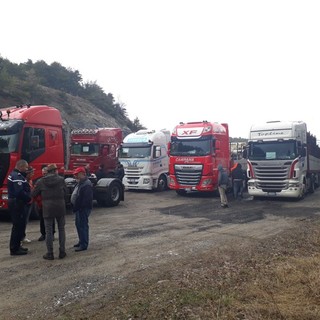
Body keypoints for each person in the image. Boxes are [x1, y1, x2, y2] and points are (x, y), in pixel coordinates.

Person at [32, 164, 68, 260]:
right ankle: (62, 251)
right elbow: (66, 192)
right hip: (60, 207)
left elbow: (33, 194)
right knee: (61, 229)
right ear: (55, 171)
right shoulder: (61, 180)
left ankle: (50, 253)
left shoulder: (41, 181)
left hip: (47, 208)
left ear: (47, 171)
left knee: (48, 231)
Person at [8, 159, 31, 256]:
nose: (26, 169)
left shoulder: (15, 175)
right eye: (26, 167)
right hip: (17, 203)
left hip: (16, 202)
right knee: (17, 226)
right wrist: (28, 198)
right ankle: (15, 248)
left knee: (20, 225)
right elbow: (19, 192)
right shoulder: (17, 176)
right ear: (21, 166)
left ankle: (17, 246)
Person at [71, 166, 93, 252]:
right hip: (79, 209)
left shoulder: (86, 184)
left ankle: (84, 244)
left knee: (83, 226)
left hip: (83, 209)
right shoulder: (80, 182)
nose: (75, 176)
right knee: (79, 225)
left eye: (77, 174)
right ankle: (81, 241)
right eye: (75, 174)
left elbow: (86, 199)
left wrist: (79, 207)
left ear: (83, 174)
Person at [35, 167, 56, 241]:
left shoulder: (53, 181)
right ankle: (43, 234)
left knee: (51, 220)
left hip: (50, 204)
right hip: (41, 204)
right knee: (42, 219)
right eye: (43, 173)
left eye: (45, 173)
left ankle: (52, 234)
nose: (44, 175)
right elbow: (36, 192)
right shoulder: (39, 181)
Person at [21, 166, 35, 244]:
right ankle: (21, 237)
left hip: (30, 202)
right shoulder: (24, 181)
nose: (33, 174)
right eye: (32, 172)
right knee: (23, 221)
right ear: (28, 173)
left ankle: (23, 236)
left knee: (26, 221)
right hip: (25, 203)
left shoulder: (30, 181)